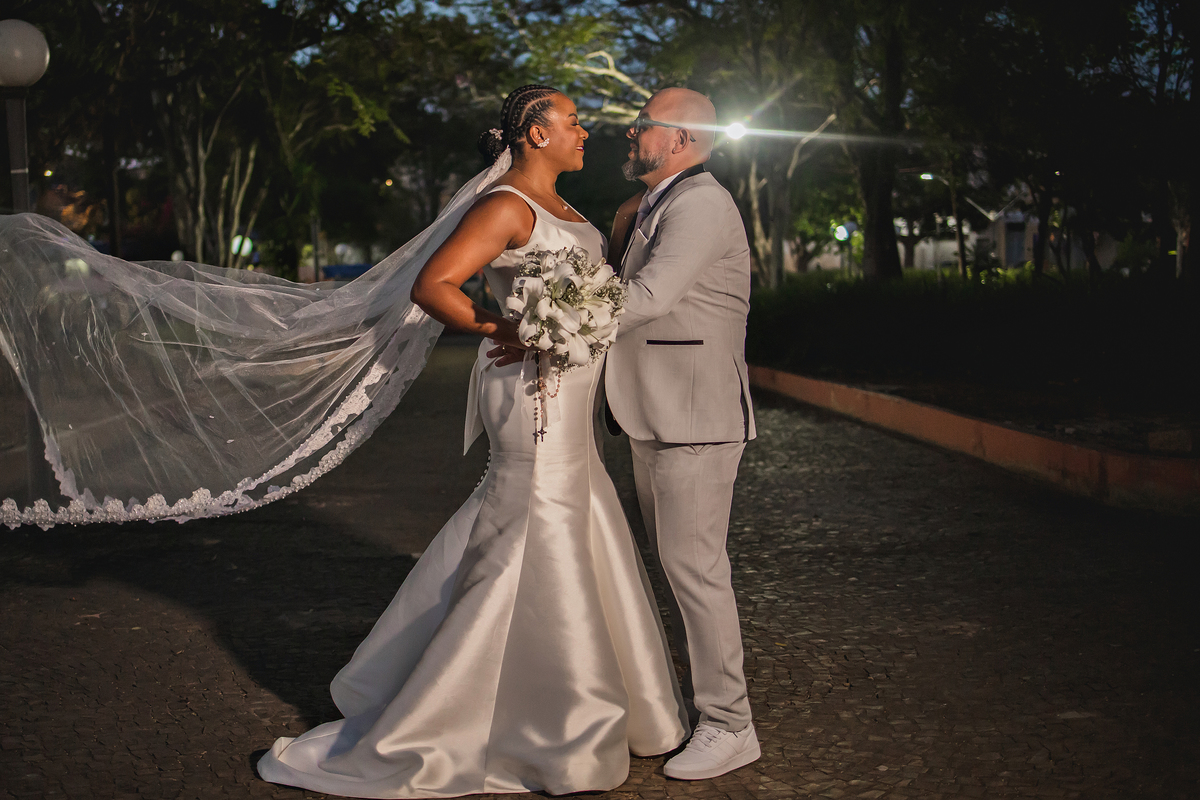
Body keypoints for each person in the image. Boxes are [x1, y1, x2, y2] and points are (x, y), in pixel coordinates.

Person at [255, 85, 688, 798]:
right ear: (536, 134)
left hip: (570, 392)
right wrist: (509, 327)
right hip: (530, 390)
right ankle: (536, 721)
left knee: (568, 514)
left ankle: (560, 701)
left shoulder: (568, 210)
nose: (585, 132)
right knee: (537, 517)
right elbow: (435, 285)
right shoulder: (505, 206)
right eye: (573, 121)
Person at [606, 87, 760, 780]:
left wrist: (551, 325)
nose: (631, 132)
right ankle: (701, 708)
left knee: (696, 572)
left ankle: (731, 724)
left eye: (643, 124)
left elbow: (651, 296)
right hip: (657, 410)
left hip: (694, 416)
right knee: (679, 567)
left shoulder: (701, 203)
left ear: (680, 139)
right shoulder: (655, 201)